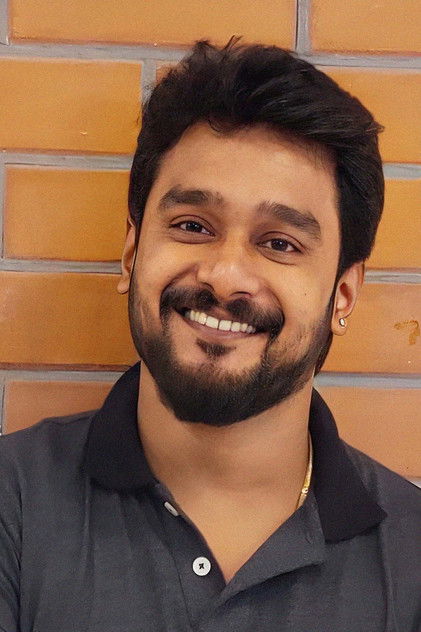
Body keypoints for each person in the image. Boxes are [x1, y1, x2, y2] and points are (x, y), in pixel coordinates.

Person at [0, 39, 419, 632]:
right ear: (131, 254)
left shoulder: (411, 555)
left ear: (342, 296)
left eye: (280, 243)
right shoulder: (13, 501)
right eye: (192, 226)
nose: (224, 275)